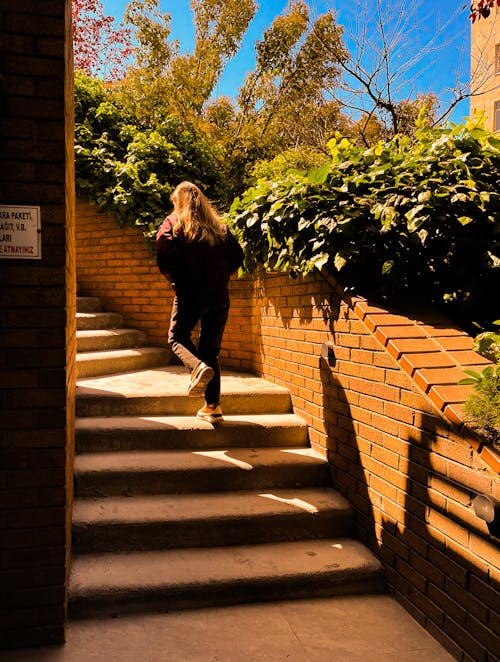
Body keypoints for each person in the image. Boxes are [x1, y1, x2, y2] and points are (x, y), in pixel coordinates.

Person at [155, 181, 244, 423]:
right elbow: (238, 257)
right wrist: (222, 277)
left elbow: (164, 257)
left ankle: (196, 368)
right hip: (219, 296)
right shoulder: (220, 229)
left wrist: (175, 282)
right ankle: (213, 406)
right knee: (210, 350)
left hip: (189, 294)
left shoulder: (173, 225)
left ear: (179, 202)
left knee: (176, 338)